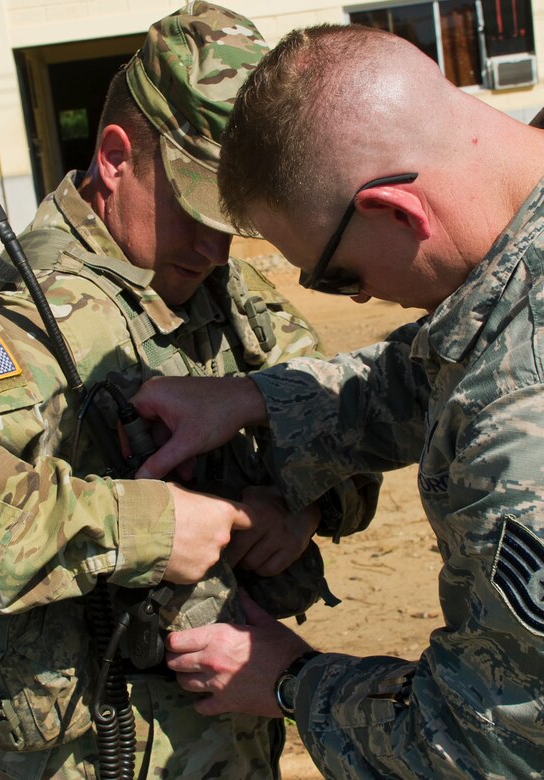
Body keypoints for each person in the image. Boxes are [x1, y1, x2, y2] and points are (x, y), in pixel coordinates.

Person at [130, 22, 544, 780]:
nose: (356, 295)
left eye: (333, 275)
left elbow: (489, 749)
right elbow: (438, 369)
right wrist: (256, 397)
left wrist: (293, 682)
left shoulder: (520, 432)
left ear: (395, 210)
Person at [0, 6, 375, 779]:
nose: (214, 244)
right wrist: (154, 527)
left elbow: (352, 433)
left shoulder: (223, 290)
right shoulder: (17, 317)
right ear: (114, 156)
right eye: (195, 209)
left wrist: (303, 510)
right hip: (95, 749)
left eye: (232, 219)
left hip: (237, 732)